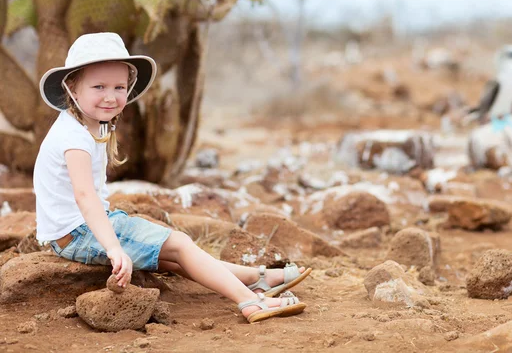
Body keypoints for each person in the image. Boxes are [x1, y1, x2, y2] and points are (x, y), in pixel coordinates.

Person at [33, 32, 311, 323]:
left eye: (119, 87)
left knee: (170, 256)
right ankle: (251, 301)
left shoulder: (89, 123)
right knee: (179, 244)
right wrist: (114, 248)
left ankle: (255, 278)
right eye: (98, 86)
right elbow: (85, 196)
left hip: (76, 230)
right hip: (77, 233)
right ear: (73, 88)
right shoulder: (74, 137)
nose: (110, 96)